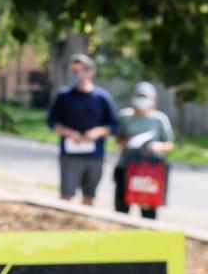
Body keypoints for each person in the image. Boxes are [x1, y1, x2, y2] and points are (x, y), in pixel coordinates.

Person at [47, 53, 118, 205]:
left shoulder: (102, 97)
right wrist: (69, 133)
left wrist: (96, 132)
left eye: (82, 70)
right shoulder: (64, 96)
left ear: (90, 71)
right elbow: (52, 122)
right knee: (66, 195)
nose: (79, 75)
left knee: (89, 196)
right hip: (70, 153)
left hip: (94, 154)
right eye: (74, 72)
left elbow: (113, 124)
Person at [114, 82, 174, 219]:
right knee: (121, 208)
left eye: (145, 96)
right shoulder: (125, 116)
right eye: (139, 96)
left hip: (149, 171)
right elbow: (117, 139)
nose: (142, 99)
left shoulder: (159, 119)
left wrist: (156, 146)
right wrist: (128, 142)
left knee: (148, 210)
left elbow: (169, 144)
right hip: (126, 167)